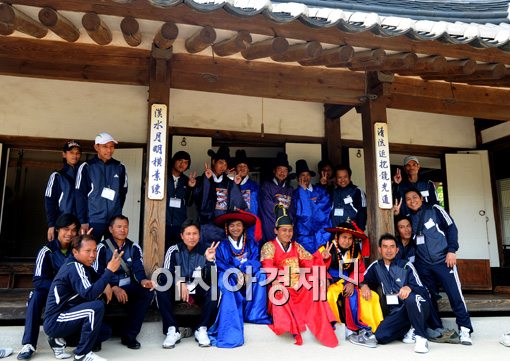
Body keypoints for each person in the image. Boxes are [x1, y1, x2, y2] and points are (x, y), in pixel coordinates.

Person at [260, 206, 338, 347]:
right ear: (276, 231)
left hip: (298, 286)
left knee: (313, 290)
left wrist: (323, 256)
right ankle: (290, 325)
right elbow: (267, 266)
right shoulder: (268, 246)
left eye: (290, 230)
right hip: (280, 284)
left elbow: (311, 261)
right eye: (284, 230)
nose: (287, 233)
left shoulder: (296, 247)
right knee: (279, 293)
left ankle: (321, 324)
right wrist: (277, 280)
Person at [404, 188, 473, 345]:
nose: (412, 201)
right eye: (408, 199)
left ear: (421, 198)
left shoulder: (435, 209)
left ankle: (465, 329)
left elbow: (451, 228)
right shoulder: (409, 218)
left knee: (455, 295)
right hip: (423, 265)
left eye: (415, 197)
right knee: (429, 297)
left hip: (444, 260)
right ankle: (437, 328)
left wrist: (452, 250)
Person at [44, 234, 123, 361]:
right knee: (95, 307)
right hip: (56, 320)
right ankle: (82, 354)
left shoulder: (83, 265)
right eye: (88, 251)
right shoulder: (74, 267)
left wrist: (108, 283)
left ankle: (59, 340)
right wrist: (109, 271)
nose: (93, 255)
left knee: (104, 332)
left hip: (67, 317)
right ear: (75, 252)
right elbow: (89, 293)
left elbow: (98, 279)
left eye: (95, 250)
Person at [356, 233, 433, 353]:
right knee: (380, 336)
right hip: (396, 313)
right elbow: (361, 280)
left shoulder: (406, 265)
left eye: (392, 246)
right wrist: (364, 285)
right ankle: (409, 327)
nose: (388, 250)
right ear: (379, 249)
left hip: (416, 306)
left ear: (397, 250)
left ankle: (421, 337)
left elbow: (423, 290)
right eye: (385, 246)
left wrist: (409, 288)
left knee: (410, 298)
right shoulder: (376, 267)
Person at [17, 214, 80, 361]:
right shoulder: (47, 251)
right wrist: (58, 287)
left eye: (74, 230)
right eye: (66, 229)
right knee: (36, 296)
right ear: (57, 229)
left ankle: (68, 339)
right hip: (51, 293)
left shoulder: (77, 250)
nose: (70, 233)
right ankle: (29, 344)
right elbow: (38, 280)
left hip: (70, 295)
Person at [208, 210, 271, 348]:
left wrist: (247, 271)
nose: (235, 228)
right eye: (232, 226)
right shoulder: (221, 245)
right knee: (225, 280)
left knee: (261, 274)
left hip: (247, 278)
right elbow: (220, 264)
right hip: (231, 277)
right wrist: (236, 272)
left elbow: (256, 260)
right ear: (226, 228)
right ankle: (230, 326)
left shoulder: (251, 244)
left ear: (243, 227)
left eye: (238, 225)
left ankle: (254, 314)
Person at [94, 215, 154, 350]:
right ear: (110, 229)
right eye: (119, 226)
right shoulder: (101, 247)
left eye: (125, 226)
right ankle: (95, 338)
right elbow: (97, 272)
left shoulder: (134, 247)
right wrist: (113, 286)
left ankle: (129, 336)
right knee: (96, 295)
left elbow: (138, 269)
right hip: (107, 286)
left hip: (127, 287)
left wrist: (144, 280)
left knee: (147, 292)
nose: (123, 230)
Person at [156, 220, 219, 348]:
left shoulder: (206, 250)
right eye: (188, 234)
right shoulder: (174, 250)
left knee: (214, 290)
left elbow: (211, 278)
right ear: (182, 236)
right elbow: (165, 274)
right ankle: (172, 329)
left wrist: (209, 261)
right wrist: (179, 281)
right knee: (161, 287)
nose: (192, 237)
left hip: (197, 288)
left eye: (195, 233)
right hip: (178, 289)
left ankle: (201, 329)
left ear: (199, 235)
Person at [320, 222, 383, 341]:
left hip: (347, 281)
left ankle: (372, 327)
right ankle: (335, 326)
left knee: (371, 296)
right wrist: (324, 259)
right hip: (331, 281)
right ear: (337, 237)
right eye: (344, 237)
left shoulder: (355, 251)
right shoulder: (326, 247)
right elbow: (315, 266)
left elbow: (359, 270)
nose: (347, 241)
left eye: (350, 238)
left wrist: (352, 283)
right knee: (329, 295)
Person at [75, 132, 128, 241]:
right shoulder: (87, 167)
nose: (109, 150)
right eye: (105, 147)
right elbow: (80, 196)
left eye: (112, 147)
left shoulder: (120, 167)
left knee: (112, 251)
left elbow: (122, 193)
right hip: (94, 219)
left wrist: (116, 211)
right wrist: (83, 221)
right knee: (91, 251)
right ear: (96, 147)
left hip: (114, 220)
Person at [193, 146, 245, 246]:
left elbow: (236, 203)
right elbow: (197, 198)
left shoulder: (229, 183)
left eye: (225, 164)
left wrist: (236, 185)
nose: (223, 166)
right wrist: (206, 180)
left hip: (223, 225)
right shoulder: (203, 179)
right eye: (221, 162)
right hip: (207, 225)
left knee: (223, 252)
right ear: (214, 162)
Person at [44, 141, 82, 241]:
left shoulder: (85, 176)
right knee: (60, 252)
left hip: (79, 224)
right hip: (62, 223)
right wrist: (51, 225)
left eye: (77, 153)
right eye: (71, 152)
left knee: (78, 253)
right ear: (64, 154)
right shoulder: (57, 176)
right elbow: (49, 202)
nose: (75, 156)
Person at [330, 165, 369, 257]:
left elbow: (362, 213)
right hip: (336, 236)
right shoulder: (333, 192)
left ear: (350, 177)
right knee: (337, 263)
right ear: (336, 179)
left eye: (345, 177)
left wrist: (359, 233)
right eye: (339, 177)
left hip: (352, 236)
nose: (342, 180)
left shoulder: (357, 191)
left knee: (353, 262)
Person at [293, 159, 330, 254]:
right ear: (297, 179)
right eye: (302, 175)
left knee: (320, 265)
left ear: (310, 177)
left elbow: (324, 210)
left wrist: (307, 203)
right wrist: (303, 192)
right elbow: (302, 215)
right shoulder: (295, 194)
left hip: (320, 234)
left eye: (307, 175)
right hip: (303, 237)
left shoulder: (320, 191)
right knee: (305, 265)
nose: (305, 178)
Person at [259, 152, 294, 242]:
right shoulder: (266, 186)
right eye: (279, 169)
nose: (282, 172)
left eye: (285, 170)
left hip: (286, 227)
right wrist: (281, 223)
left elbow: (292, 210)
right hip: (271, 225)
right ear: (274, 171)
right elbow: (268, 207)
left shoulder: (290, 189)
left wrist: (289, 224)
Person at [166, 151, 196, 249]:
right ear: (174, 161)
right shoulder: (163, 177)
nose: (182, 164)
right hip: (163, 221)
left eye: (185, 162)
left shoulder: (186, 180)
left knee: (177, 250)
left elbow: (189, 202)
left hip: (179, 223)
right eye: (180, 161)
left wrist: (191, 187)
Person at [233, 150, 260, 241]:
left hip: (252, 224)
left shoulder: (255, 186)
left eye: (244, 166)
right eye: (239, 166)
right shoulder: (230, 185)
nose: (242, 168)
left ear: (248, 169)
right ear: (235, 169)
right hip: (235, 225)